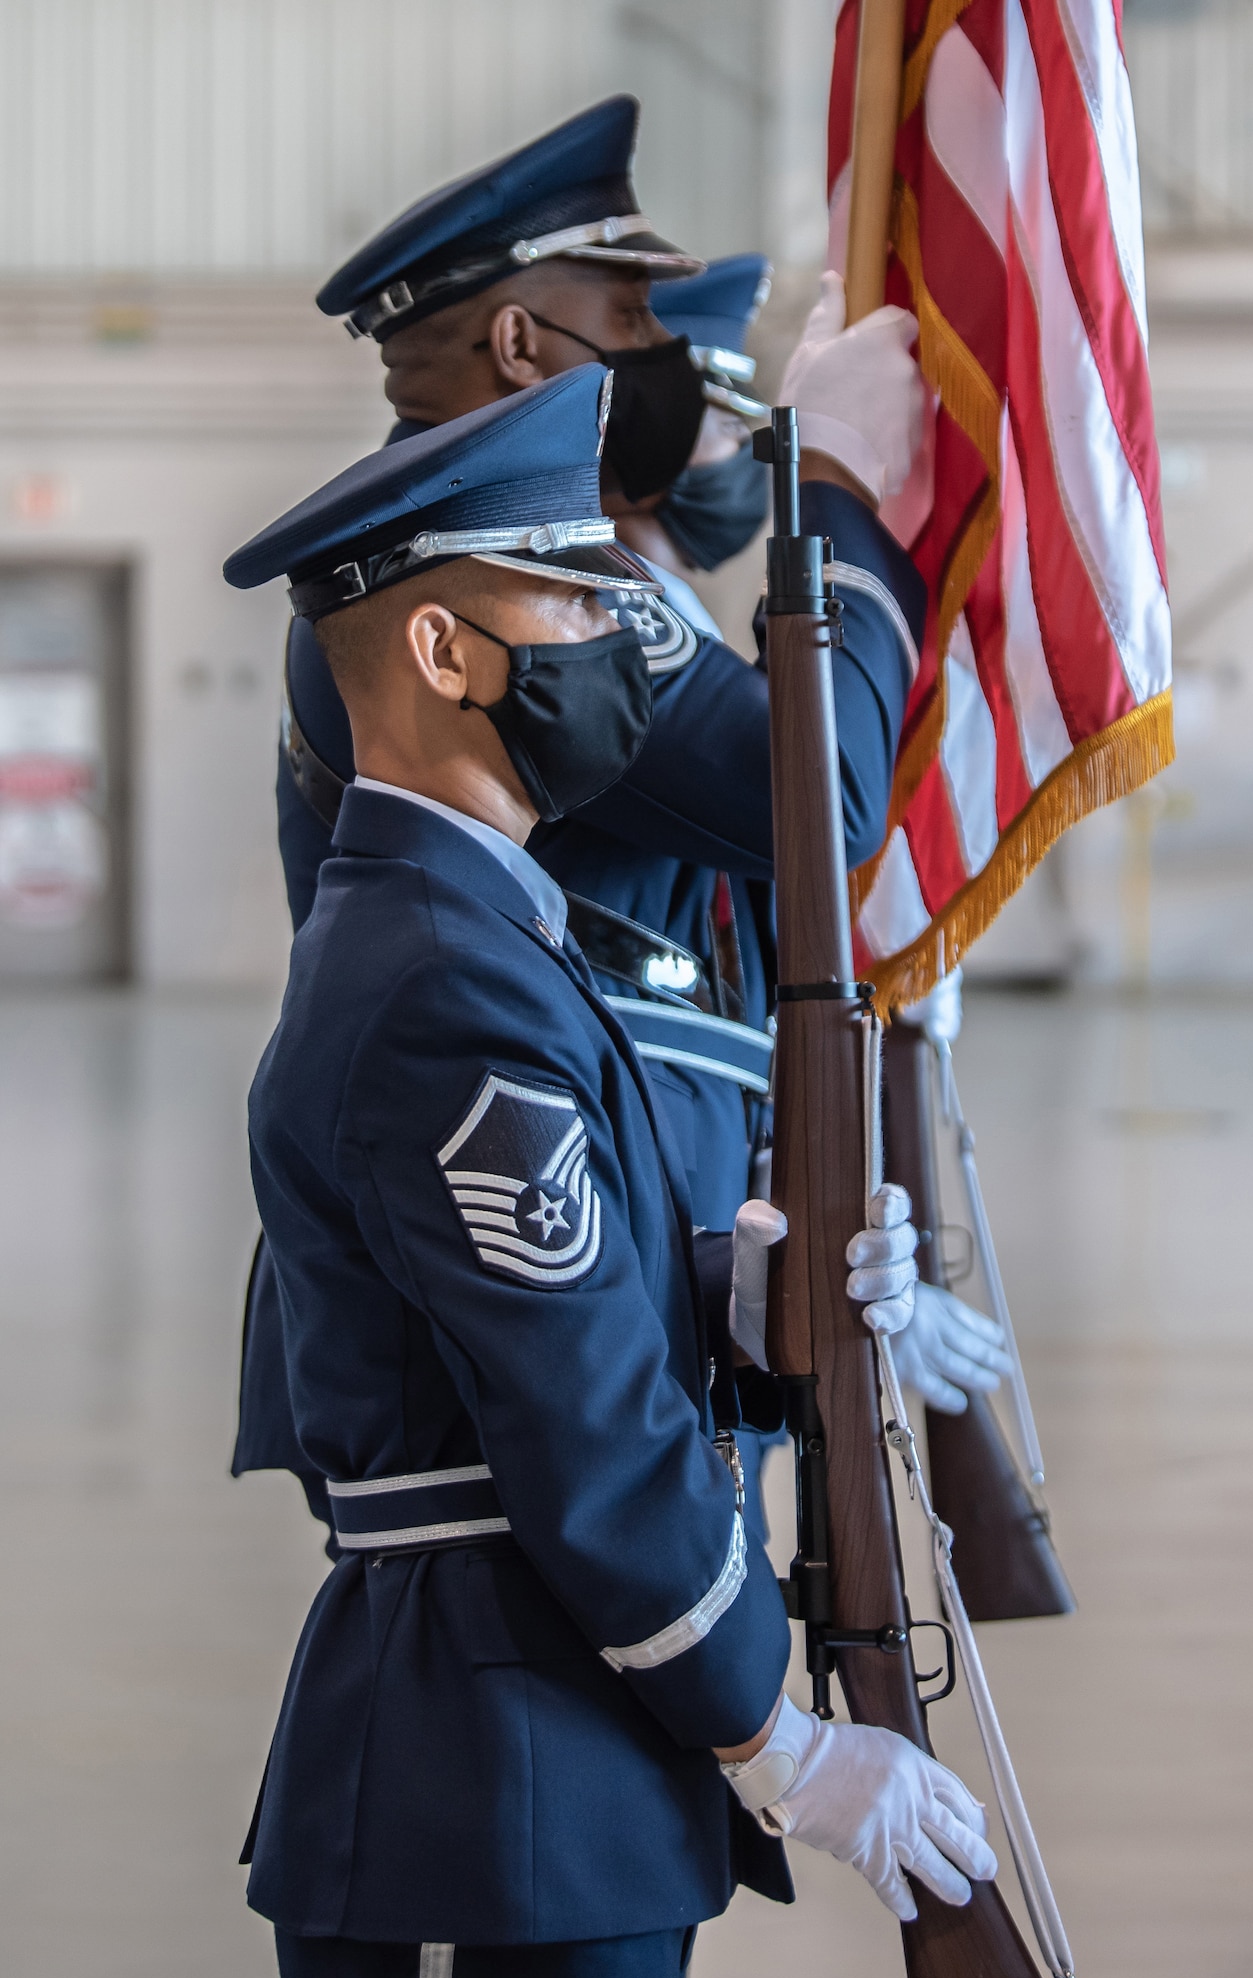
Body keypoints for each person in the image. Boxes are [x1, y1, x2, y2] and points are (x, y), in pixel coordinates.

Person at [226, 367, 998, 1978]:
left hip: (556, 1750)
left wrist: (754, 1293)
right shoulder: (444, 976)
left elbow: (560, 1308)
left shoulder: (494, 938)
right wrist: (772, 1735)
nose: (612, 633)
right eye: (568, 595)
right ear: (442, 652)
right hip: (490, 1778)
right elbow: (578, 1422)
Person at [233, 93, 1006, 1536]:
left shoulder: (566, 575)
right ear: (526, 344)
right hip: (560, 1178)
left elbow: (764, 885)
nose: (663, 360)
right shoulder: (505, 588)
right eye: (634, 321)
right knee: (621, 1619)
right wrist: (830, 490)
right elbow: (816, 799)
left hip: (672, 1175)